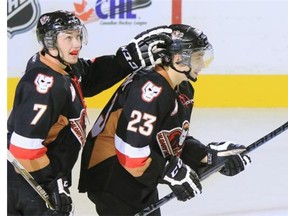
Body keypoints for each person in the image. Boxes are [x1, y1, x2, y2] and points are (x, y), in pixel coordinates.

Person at [7, 10, 172, 216]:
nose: (76, 44)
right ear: (49, 42)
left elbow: (91, 76)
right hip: (23, 182)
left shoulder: (61, 68)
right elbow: (24, 148)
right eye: (68, 37)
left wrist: (125, 60)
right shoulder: (45, 85)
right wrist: (51, 185)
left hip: (32, 179)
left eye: (77, 35)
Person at [78, 24, 252, 216]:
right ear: (178, 59)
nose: (202, 65)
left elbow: (168, 140)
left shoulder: (182, 88)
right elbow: (131, 153)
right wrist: (169, 171)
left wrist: (209, 156)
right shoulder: (150, 89)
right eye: (197, 57)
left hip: (136, 177)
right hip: (114, 178)